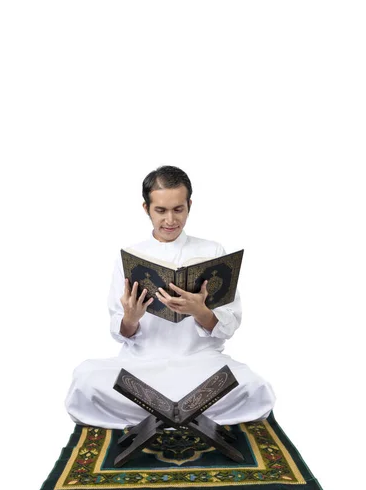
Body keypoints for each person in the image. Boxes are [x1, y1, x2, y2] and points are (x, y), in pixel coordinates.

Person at [65, 165, 276, 429]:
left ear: (189, 205)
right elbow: (121, 330)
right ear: (146, 208)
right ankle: (190, 416)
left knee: (256, 388)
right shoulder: (130, 256)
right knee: (85, 382)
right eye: (160, 211)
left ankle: (157, 417)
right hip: (142, 368)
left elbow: (229, 326)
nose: (170, 220)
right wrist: (131, 318)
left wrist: (200, 311)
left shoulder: (212, 251)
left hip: (202, 366)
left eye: (178, 209)